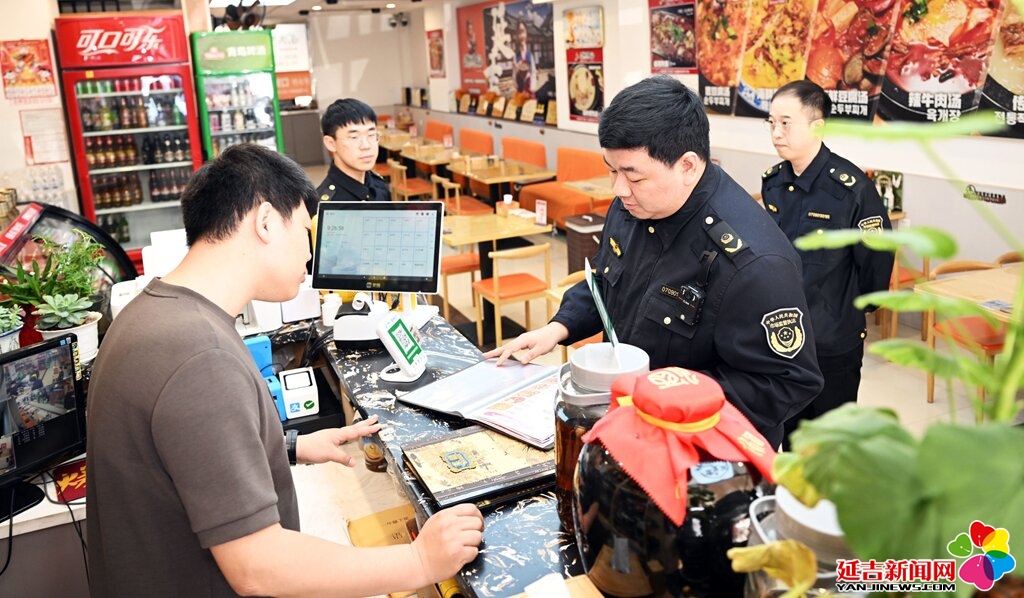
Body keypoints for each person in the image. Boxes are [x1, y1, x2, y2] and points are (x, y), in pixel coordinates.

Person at [86, 144, 484, 597]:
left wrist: (287, 447)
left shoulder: (152, 313)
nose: (309, 255)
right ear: (266, 222)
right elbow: (258, 566)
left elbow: (181, 454)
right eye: (304, 230)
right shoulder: (201, 356)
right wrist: (420, 561)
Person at [487, 76, 823, 447]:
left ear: (688, 166)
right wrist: (557, 328)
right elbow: (606, 282)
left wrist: (663, 398)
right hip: (631, 427)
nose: (618, 189)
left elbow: (787, 382)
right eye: (612, 170)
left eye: (633, 176)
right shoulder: (634, 206)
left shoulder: (754, 262)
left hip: (703, 450)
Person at [760, 80, 893, 446]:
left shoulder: (851, 189)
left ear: (817, 126)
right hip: (784, 335)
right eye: (771, 123)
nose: (776, 133)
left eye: (786, 123)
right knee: (790, 434)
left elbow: (876, 258)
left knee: (832, 440)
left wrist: (850, 308)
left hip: (833, 337)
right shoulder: (774, 182)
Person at [318, 98, 391, 203]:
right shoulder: (328, 205)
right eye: (354, 137)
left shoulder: (379, 185)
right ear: (331, 143)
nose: (366, 145)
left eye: (371, 135)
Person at [512, 20, 536, 97]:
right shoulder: (515, 55)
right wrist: (516, 68)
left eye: (523, 32)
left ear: (526, 34)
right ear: (517, 35)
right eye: (519, 32)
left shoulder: (530, 54)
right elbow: (514, 76)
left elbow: (533, 72)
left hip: (529, 88)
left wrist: (532, 87)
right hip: (520, 89)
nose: (521, 35)